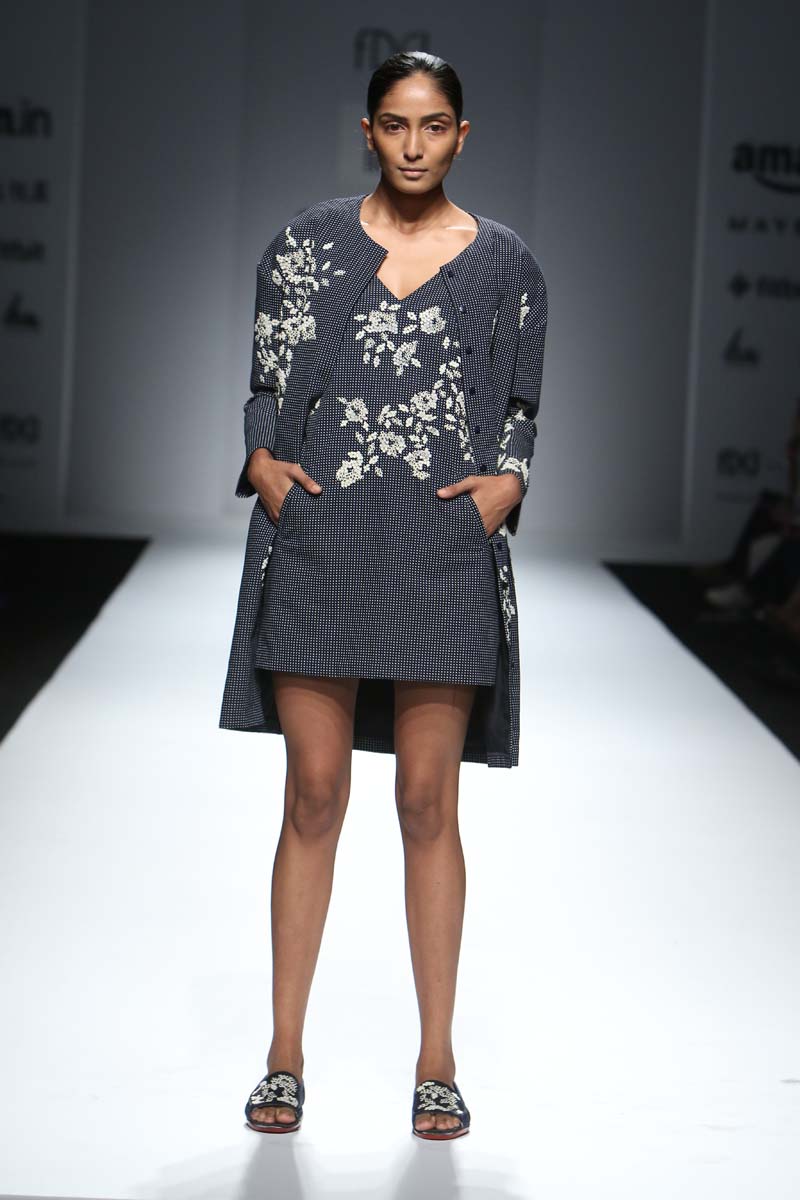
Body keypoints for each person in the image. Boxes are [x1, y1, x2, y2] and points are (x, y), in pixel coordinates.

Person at [222, 50, 548, 1140]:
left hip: (439, 547)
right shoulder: (304, 245)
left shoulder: (505, 264)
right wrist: (262, 460)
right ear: (367, 131)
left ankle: (436, 1061)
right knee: (313, 795)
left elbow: (520, 401)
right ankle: (282, 1055)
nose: (414, 144)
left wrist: (508, 482)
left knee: (425, 802)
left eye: (434, 124)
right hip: (323, 536)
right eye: (396, 124)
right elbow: (267, 380)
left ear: (462, 135)